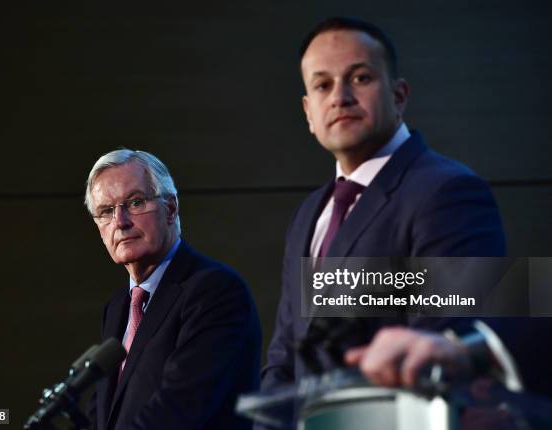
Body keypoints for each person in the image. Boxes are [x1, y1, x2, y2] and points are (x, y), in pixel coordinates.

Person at [260, 16, 509, 420]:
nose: (340, 97)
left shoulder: (450, 193)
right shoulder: (309, 214)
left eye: (360, 78)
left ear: (399, 95)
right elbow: (285, 356)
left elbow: (449, 345)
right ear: (308, 112)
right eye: (322, 85)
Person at [84, 149, 261, 430]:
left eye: (135, 202)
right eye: (106, 211)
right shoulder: (118, 307)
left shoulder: (215, 291)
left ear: (170, 209)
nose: (120, 221)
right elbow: (103, 415)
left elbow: (179, 409)